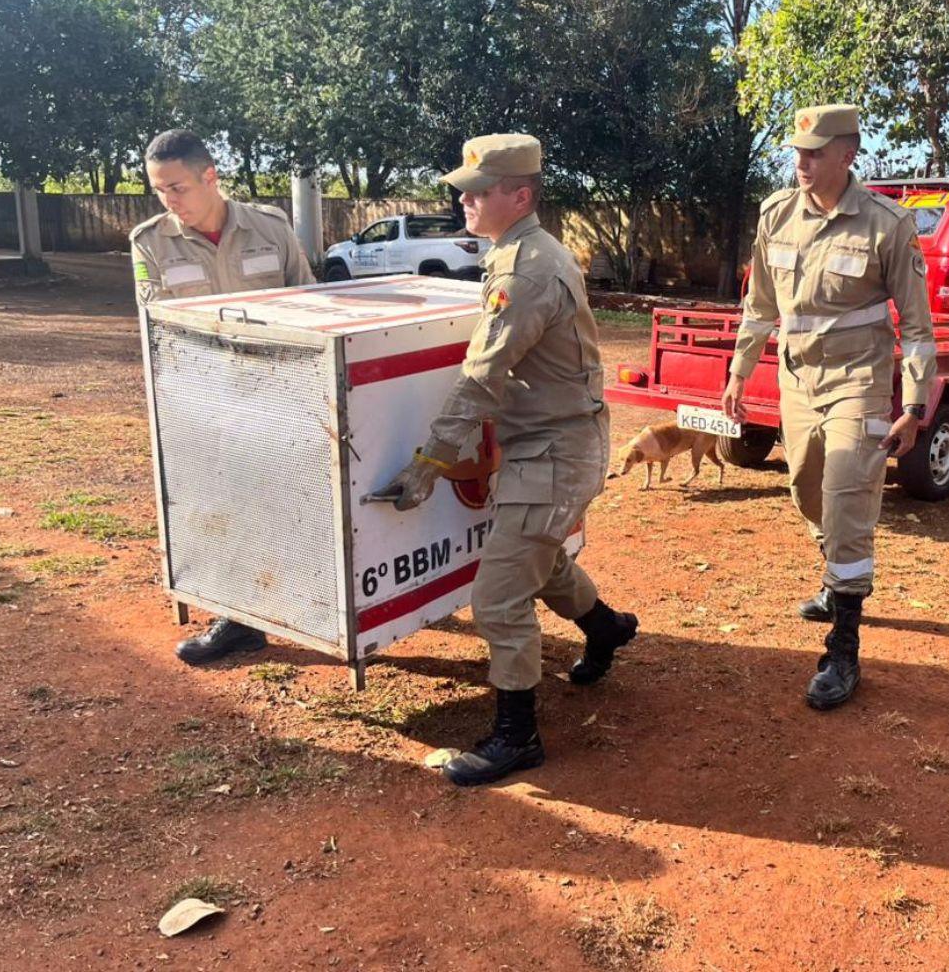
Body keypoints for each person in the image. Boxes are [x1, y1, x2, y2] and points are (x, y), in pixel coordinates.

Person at [371, 133, 638, 787]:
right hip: (550, 444)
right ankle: (607, 629)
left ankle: (517, 738)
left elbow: (482, 377)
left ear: (519, 195)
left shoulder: (525, 269)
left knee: (495, 600)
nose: (463, 199)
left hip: (555, 452)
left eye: (477, 190)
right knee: (539, 561)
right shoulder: (519, 253)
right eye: (463, 188)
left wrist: (429, 462)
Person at [720, 104, 935, 710]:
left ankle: (844, 646)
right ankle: (834, 564)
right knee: (805, 487)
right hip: (797, 381)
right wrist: (740, 370)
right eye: (797, 151)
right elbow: (760, 304)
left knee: (845, 490)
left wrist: (914, 405)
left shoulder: (887, 225)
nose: (801, 162)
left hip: (858, 381)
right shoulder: (776, 214)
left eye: (814, 152)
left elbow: (916, 328)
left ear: (848, 154)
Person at [129, 129, 314, 665]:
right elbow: (156, 328)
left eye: (178, 187)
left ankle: (314, 600)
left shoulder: (270, 227)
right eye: (160, 190)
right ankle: (240, 619)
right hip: (209, 401)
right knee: (226, 506)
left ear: (211, 176)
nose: (169, 201)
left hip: (283, 391)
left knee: (298, 500)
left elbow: (309, 302)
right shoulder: (150, 243)